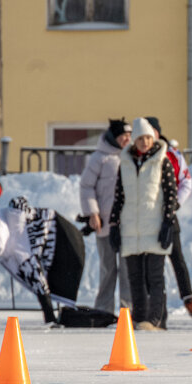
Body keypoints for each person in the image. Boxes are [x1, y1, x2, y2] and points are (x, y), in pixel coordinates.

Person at [108, 118, 177, 331]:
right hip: (131, 229)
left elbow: (170, 194)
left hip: (154, 226)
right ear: (134, 141)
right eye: (140, 138)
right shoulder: (126, 163)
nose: (145, 142)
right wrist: (114, 225)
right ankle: (139, 318)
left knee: (155, 277)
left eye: (148, 137)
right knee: (134, 277)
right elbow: (118, 196)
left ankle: (156, 319)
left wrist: (168, 223)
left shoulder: (162, 161)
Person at [0, 197, 87, 327]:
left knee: (38, 278)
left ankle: (51, 315)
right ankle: (52, 315)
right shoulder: (22, 233)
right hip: (63, 235)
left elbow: (38, 280)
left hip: (57, 238)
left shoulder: (15, 235)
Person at [147, 117, 192, 324]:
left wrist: (174, 204)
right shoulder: (140, 155)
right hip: (148, 217)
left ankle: (189, 301)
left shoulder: (172, 154)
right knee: (154, 265)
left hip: (168, 216)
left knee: (177, 259)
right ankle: (159, 309)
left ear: (158, 133)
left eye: (152, 131)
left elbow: (186, 182)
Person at [79, 119, 133, 315]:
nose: (126, 139)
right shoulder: (99, 158)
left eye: (129, 136)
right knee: (108, 268)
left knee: (128, 269)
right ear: (113, 137)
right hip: (104, 222)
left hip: (127, 223)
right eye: (122, 136)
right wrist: (92, 213)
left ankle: (127, 309)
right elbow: (86, 187)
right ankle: (103, 309)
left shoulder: (131, 156)